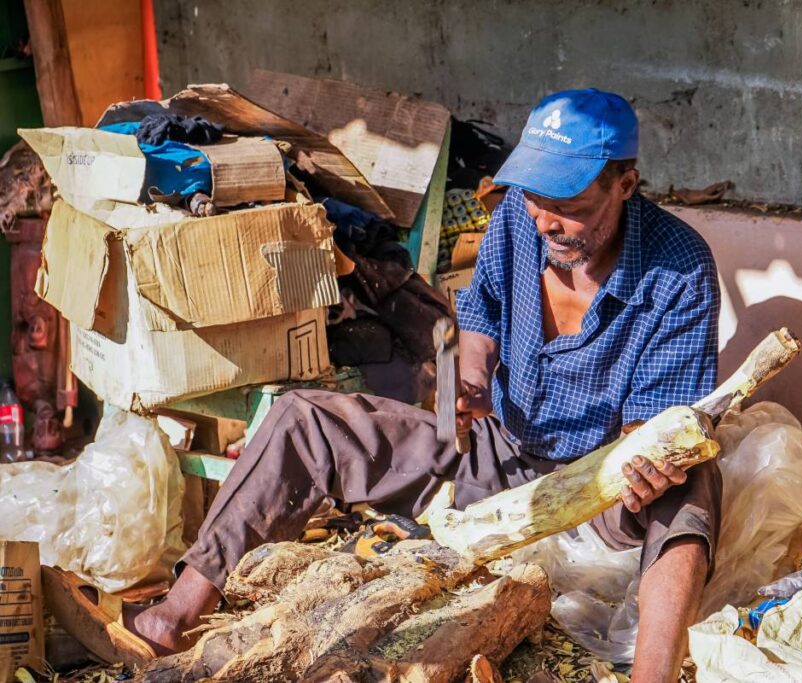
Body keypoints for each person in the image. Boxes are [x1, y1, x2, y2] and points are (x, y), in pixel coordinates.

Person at [131, 89, 722, 681]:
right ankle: (173, 617)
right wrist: (468, 383)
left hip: (602, 486)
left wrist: (644, 466)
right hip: (497, 455)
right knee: (304, 419)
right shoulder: (517, 220)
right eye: (537, 199)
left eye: (569, 206)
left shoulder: (680, 267)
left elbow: (653, 427)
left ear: (625, 184)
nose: (546, 221)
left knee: (689, 490)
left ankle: (652, 676)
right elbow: (480, 317)